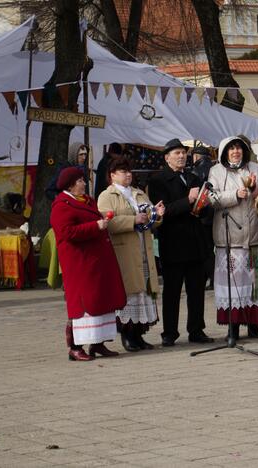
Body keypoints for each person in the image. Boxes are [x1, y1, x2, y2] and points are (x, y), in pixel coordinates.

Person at [51, 167, 126, 361]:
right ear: (70, 185)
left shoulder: (87, 201)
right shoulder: (62, 205)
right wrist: (95, 226)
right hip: (79, 262)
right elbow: (67, 232)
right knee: (83, 303)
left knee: (100, 300)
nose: (84, 183)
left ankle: (98, 343)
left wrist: (101, 220)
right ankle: (75, 347)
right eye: (80, 181)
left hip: (96, 260)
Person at [207, 135, 258, 340]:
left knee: (257, 283)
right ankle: (233, 328)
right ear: (224, 152)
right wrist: (235, 194)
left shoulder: (254, 167)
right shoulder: (216, 171)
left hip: (254, 233)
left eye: (239, 148)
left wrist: (255, 189)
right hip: (230, 237)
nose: (236, 151)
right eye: (231, 149)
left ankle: (254, 325)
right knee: (233, 286)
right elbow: (212, 198)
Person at [148, 138, 214, 346]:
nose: (181, 156)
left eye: (183, 153)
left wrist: (203, 204)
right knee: (172, 291)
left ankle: (196, 329)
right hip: (173, 243)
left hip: (196, 242)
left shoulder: (192, 177)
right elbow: (164, 211)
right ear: (167, 158)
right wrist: (189, 201)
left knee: (196, 290)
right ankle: (169, 332)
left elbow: (203, 207)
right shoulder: (158, 180)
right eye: (176, 153)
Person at [97, 156, 165, 352]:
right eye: (122, 171)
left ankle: (139, 335)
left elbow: (150, 219)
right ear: (112, 175)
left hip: (144, 247)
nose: (128, 175)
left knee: (144, 291)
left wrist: (157, 215)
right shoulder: (107, 196)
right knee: (130, 294)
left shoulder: (139, 193)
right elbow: (108, 223)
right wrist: (132, 220)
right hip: (124, 251)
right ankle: (127, 336)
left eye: (129, 171)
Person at [190, 146, 216, 289]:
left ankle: (211, 278)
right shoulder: (214, 168)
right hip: (215, 212)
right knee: (213, 247)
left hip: (204, 214)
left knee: (206, 249)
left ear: (196, 156)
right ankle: (211, 277)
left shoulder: (196, 170)